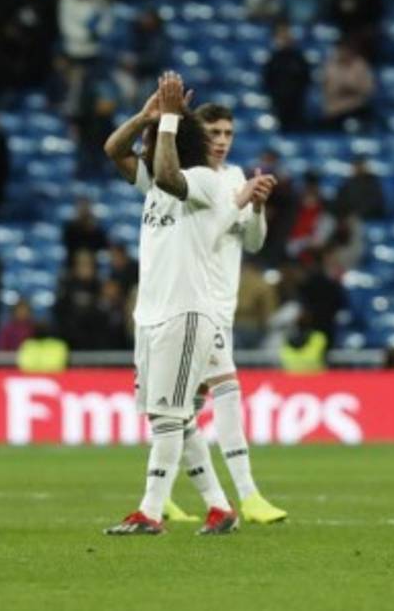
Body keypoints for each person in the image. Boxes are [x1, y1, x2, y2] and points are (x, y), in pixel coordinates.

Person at [101, 73, 271, 536]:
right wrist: (146, 116)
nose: (155, 141)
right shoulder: (155, 185)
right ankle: (220, 507)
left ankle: (150, 512)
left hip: (187, 313)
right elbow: (113, 150)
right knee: (173, 414)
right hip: (151, 316)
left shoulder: (205, 183)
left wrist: (172, 122)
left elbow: (173, 175)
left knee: (169, 416)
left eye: (161, 136)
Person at [167, 102, 287, 524]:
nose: (220, 141)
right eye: (213, 133)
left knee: (181, 407)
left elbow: (253, 242)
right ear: (197, 136)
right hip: (194, 301)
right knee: (227, 389)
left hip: (223, 304)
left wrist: (255, 206)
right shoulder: (187, 181)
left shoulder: (234, 177)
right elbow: (204, 232)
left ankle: (158, 491)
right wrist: (238, 200)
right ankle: (248, 495)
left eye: (227, 134)